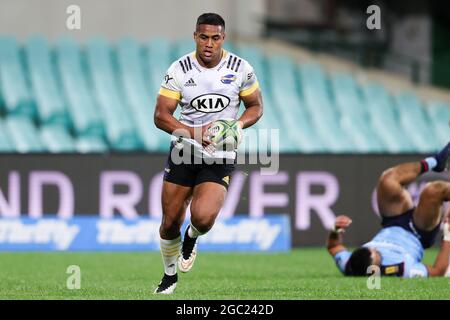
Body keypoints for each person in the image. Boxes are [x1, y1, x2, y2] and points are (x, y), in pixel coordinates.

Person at [153, 13, 263, 294]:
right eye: (204, 37)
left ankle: (192, 237)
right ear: (195, 37)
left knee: (202, 218)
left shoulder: (241, 68)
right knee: (169, 223)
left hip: (220, 155)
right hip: (183, 152)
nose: (209, 44)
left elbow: (255, 107)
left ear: (223, 38)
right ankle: (169, 277)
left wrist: (236, 125)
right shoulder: (179, 69)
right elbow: (161, 116)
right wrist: (194, 134)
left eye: (215, 38)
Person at [327, 142, 450, 278]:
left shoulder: (350, 265)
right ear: (374, 270)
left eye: (369, 248)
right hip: (418, 233)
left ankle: (435, 162)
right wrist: (448, 234)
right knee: (434, 190)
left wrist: (335, 229)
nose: (374, 248)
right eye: (375, 253)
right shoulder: (401, 268)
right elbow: (438, 271)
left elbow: (334, 247)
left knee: (388, 179)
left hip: (393, 222)